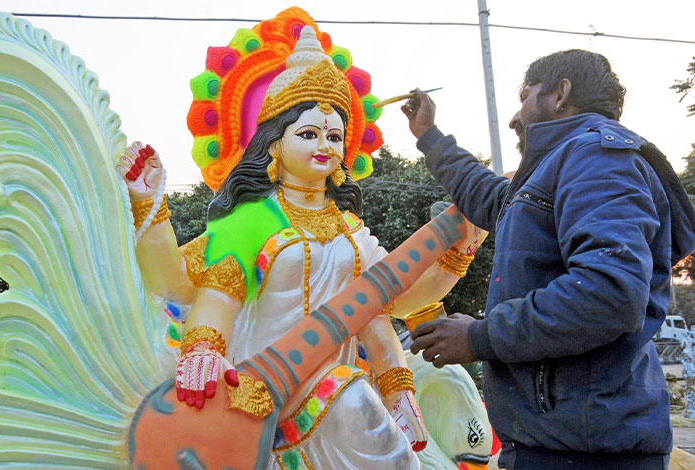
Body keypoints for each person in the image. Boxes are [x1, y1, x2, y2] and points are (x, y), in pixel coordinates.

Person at [117, 24, 487, 470]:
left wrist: (458, 252)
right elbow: (202, 290)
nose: (325, 146)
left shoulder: (350, 229)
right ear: (275, 142)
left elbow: (394, 302)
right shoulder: (255, 217)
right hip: (260, 393)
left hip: (338, 392)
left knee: (358, 405)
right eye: (309, 134)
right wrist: (202, 347)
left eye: (334, 137)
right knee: (355, 405)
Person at [403, 49, 695, 470]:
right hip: (563, 444)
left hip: (586, 454)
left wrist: (479, 337)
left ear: (560, 93)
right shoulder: (568, 166)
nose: (514, 118)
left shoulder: (597, 158)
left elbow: (608, 293)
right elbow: (493, 199)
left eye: (525, 96)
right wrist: (429, 136)